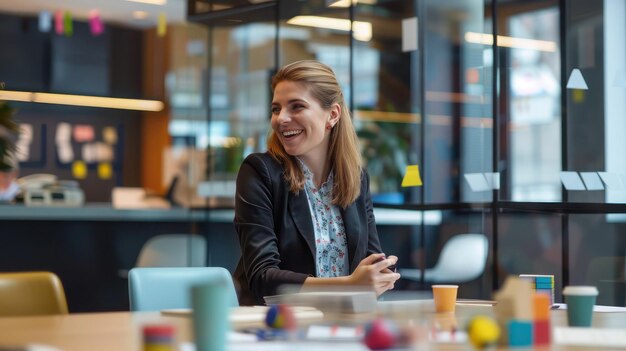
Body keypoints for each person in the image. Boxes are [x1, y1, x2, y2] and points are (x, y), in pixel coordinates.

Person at [233, 60, 400, 305]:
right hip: (277, 325)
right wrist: (350, 285)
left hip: (343, 322)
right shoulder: (259, 172)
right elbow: (262, 278)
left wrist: (381, 275)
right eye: (276, 109)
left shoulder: (356, 177)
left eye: (296, 106)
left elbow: (372, 260)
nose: (281, 119)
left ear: (332, 115)